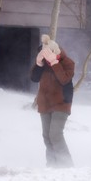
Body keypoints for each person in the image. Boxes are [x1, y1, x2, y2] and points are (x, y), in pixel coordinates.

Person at [30, 34, 74, 168]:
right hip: (45, 103)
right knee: (47, 136)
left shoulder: (67, 62)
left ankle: (66, 166)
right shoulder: (44, 64)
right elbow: (34, 78)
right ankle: (52, 165)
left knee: (55, 134)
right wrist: (38, 64)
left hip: (61, 103)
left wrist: (55, 62)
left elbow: (64, 79)